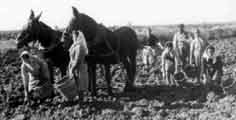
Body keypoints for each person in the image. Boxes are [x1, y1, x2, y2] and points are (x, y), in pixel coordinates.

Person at [68, 30, 89, 98]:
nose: (72, 38)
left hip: (79, 67)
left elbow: (78, 59)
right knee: (75, 83)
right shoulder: (74, 45)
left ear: (77, 36)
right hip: (74, 66)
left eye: (73, 36)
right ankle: (78, 98)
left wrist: (73, 68)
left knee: (80, 83)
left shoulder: (80, 46)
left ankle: (81, 99)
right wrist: (70, 66)